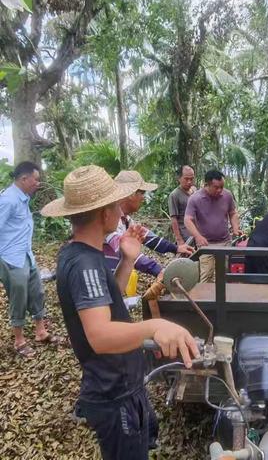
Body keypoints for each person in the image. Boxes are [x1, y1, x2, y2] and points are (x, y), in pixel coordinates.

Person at [41, 165, 199, 460]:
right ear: (104, 213)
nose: (120, 209)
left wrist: (127, 260)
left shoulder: (85, 254)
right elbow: (100, 335)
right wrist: (155, 327)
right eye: (115, 204)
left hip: (124, 384)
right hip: (112, 392)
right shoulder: (84, 263)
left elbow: (106, 303)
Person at [0, 161, 61, 358]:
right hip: (11, 258)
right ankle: (19, 341)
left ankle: (40, 332)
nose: (38, 183)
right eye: (35, 179)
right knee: (18, 297)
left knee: (37, 292)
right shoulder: (8, 200)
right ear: (24, 179)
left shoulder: (23, 198)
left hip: (26, 255)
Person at [103, 170, 194, 281]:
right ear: (131, 194)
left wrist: (176, 248)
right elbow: (127, 253)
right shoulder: (110, 221)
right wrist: (158, 270)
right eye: (142, 193)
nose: (143, 198)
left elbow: (149, 238)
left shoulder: (125, 219)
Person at [184, 170, 240, 283]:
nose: (220, 190)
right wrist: (197, 236)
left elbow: (233, 213)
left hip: (224, 242)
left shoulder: (227, 195)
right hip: (206, 244)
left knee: (223, 274)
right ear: (206, 185)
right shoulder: (195, 199)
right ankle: (205, 300)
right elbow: (187, 220)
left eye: (222, 187)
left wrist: (235, 228)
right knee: (206, 275)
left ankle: (222, 300)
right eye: (216, 187)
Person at [168, 165, 196, 244]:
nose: (189, 182)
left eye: (191, 179)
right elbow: (174, 219)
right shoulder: (174, 195)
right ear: (179, 178)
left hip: (197, 233)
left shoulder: (195, 192)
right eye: (186, 179)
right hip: (185, 236)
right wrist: (179, 239)